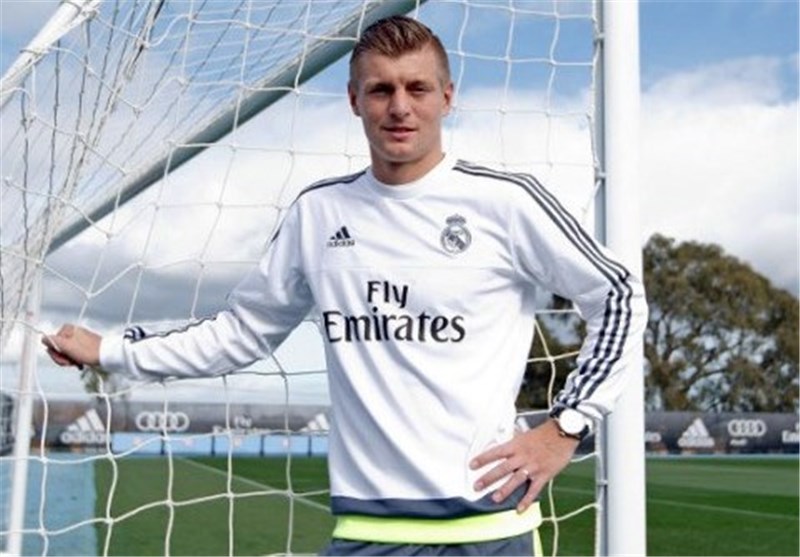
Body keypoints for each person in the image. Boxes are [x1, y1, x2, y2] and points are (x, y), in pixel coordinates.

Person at [43, 15, 647, 557]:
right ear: (355, 99)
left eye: (417, 88)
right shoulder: (318, 214)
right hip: (368, 530)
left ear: (447, 97)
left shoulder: (504, 202)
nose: (400, 107)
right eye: (381, 89)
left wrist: (566, 428)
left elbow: (619, 294)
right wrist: (111, 350)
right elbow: (240, 334)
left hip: (488, 529)